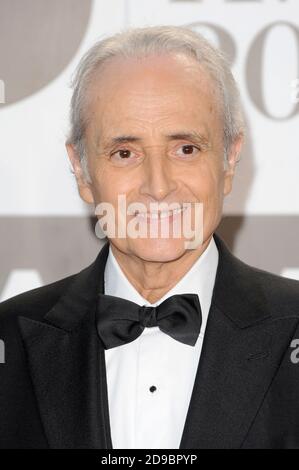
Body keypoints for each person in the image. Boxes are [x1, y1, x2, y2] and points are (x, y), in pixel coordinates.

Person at [0, 25, 299, 450]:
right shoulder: (8, 341)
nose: (157, 187)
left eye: (185, 149)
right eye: (125, 153)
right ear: (82, 170)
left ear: (230, 159)